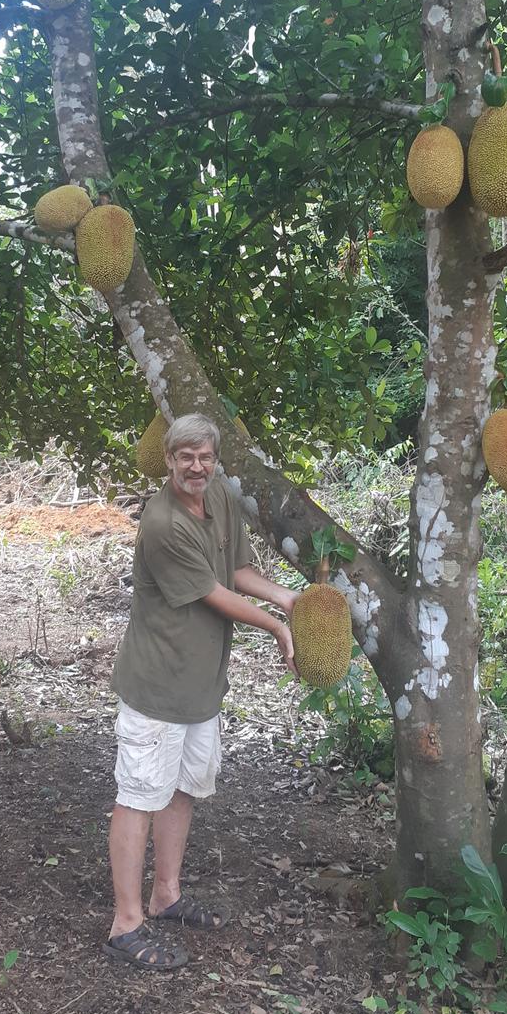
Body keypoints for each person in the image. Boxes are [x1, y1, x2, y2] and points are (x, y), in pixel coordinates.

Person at [104, 412, 299, 970]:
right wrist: (278, 626)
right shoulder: (162, 521)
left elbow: (237, 569)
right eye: (185, 457)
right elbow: (212, 592)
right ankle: (126, 923)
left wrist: (287, 598)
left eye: (205, 457)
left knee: (183, 788)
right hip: (156, 685)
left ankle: (166, 895)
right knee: (139, 795)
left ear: (215, 461)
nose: (196, 466)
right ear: (167, 461)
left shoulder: (219, 498)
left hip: (201, 685)